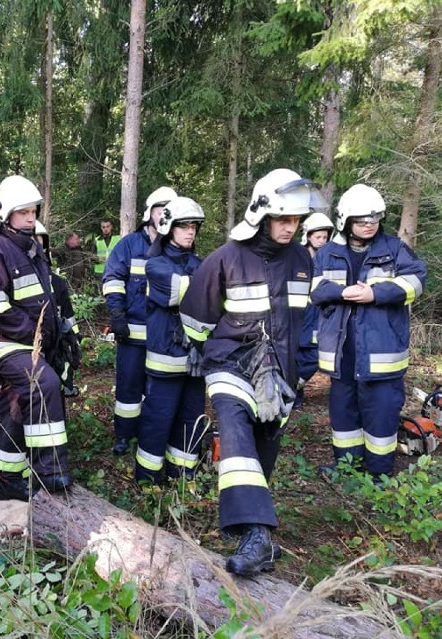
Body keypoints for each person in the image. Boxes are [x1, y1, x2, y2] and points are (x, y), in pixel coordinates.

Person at [180, 168, 326, 576]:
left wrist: (299, 370)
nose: (290, 227)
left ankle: (246, 523)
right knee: (237, 432)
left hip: (280, 372)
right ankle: (259, 535)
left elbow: (305, 322)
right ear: (261, 214)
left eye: (296, 220)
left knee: (264, 446)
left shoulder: (301, 259)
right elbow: (195, 322)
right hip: (231, 364)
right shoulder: (224, 258)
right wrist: (215, 352)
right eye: (283, 219)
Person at [311, 184, 425, 482]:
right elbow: (314, 289)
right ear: (346, 221)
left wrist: (376, 294)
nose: (369, 225)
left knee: (381, 412)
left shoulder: (394, 248)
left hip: (381, 352)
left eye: (374, 219)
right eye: (362, 220)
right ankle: (347, 466)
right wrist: (342, 291)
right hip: (342, 350)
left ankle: (378, 472)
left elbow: (415, 282)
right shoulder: (327, 253)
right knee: (344, 412)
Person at [0, 175, 71, 501]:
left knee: (16, 404)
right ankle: (49, 470)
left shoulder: (32, 249)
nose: (30, 217)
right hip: (1, 343)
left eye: (33, 211)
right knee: (44, 383)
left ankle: (7, 479)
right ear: (5, 214)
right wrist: (33, 333)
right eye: (22, 212)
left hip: (30, 343)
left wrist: (58, 338)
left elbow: (47, 300)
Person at [137, 197, 206, 488]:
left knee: (191, 418)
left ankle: (183, 476)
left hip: (196, 360)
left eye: (194, 226)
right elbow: (187, 292)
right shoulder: (155, 265)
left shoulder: (200, 263)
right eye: (184, 226)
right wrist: (211, 285)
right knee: (158, 419)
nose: (190, 232)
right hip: (166, 358)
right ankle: (148, 479)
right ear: (168, 228)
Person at [103, 186, 176, 456]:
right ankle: (124, 434)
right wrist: (117, 315)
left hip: (164, 336)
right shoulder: (129, 245)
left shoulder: (174, 247)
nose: (164, 216)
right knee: (128, 386)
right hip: (132, 333)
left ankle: (151, 433)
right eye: (160, 211)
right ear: (149, 214)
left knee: (157, 388)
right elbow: (112, 280)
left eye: (169, 211)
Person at [35, 220, 82, 398]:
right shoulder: (9, 279)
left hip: (54, 346)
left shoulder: (57, 283)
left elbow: (68, 314)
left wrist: (74, 337)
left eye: (39, 244)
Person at [294, 212, 335, 409]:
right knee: (294, 354)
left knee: (314, 354)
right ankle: (295, 396)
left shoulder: (329, 259)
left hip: (319, 313)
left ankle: (293, 385)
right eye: (318, 237)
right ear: (308, 236)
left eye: (325, 237)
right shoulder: (296, 257)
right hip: (297, 312)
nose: (321, 241)